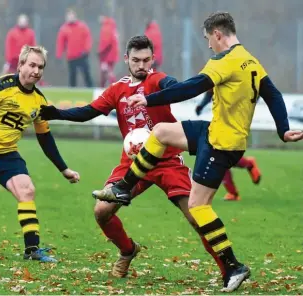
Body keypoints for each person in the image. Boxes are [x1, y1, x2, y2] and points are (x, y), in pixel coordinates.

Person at [92, 12, 303, 292]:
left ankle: (232, 266)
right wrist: (283, 129)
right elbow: (273, 94)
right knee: (162, 132)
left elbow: (191, 88)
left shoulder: (223, 61)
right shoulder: (251, 60)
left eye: (207, 39)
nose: (208, 45)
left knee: (198, 207)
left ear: (217, 34)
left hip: (222, 144)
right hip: (212, 131)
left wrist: (148, 98)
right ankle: (123, 187)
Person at [40, 35, 227, 279]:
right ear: (126, 59)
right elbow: (89, 112)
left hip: (167, 161)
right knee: (101, 211)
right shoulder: (118, 90)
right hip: (133, 164)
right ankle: (127, 250)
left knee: (196, 216)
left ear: (153, 59)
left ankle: (228, 270)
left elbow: (171, 85)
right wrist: (57, 113)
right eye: (136, 60)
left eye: (146, 60)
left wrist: (173, 85)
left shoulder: (157, 79)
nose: (141, 65)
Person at [0, 45, 80, 263]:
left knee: (27, 190)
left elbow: (45, 137)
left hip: (6, 154)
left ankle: (32, 250)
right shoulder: (2, 86)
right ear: (20, 65)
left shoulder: (39, 100)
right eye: (31, 65)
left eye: (40, 67)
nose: (36, 71)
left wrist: (63, 168)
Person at [196, 90, 262, 201]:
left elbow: (260, 89)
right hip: (223, 122)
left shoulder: (233, 76)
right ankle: (234, 190)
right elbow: (209, 92)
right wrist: (201, 105)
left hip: (232, 123)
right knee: (222, 157)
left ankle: (247, 167)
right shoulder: (219, 76)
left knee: (220, 157)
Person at [56, 9, 93, 87]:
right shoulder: (64, 28)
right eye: (68, 16)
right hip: (71, 56)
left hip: (82, 55)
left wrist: (86, 50)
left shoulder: (82, 26)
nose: (70, 18)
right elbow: (60, 42)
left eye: (72, 16)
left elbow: (88, 38)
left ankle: (91, 88)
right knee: (72, 75)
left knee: (86, 73)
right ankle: (72, 91)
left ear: (75, 16)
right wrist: (59, 54)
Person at [98, 15, 119, 87]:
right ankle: (104, 86)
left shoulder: (106, 28)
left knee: (107, 71)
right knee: (106, 71)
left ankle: (114, 86)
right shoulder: (112, 27)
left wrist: (101, 52)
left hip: (107, 55)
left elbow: (106, 42)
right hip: (113, 54)